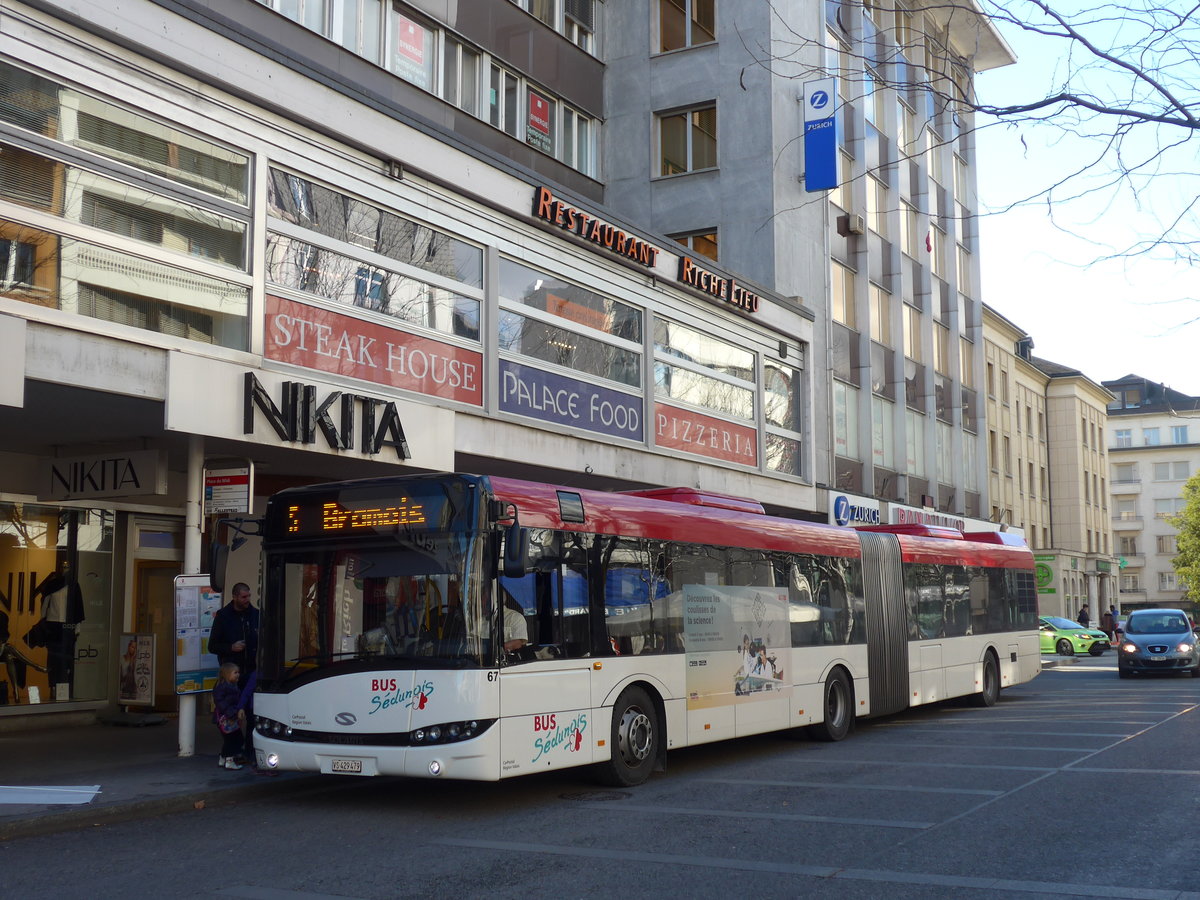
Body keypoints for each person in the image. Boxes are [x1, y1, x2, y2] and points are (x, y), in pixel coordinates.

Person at [208, 582, 259, 691]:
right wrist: (231, 647)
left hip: (251, 673)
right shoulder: (223, 616)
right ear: (235, 597)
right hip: (231, 677)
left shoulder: (256, 615)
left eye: (249, 596)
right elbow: (212, 646)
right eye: (244, 597)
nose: (247, 600)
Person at [212, 661, 245, 770]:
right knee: (232, 740)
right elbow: (222, 704)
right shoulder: (222, 687)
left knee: (232, 739)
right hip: (225, 718)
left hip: (230, 717)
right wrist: (232, 715)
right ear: (227, 674)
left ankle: (222, 758)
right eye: (235, 672)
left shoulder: (232, 686)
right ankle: (229, 761)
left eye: (238, 672)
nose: (238, 675)